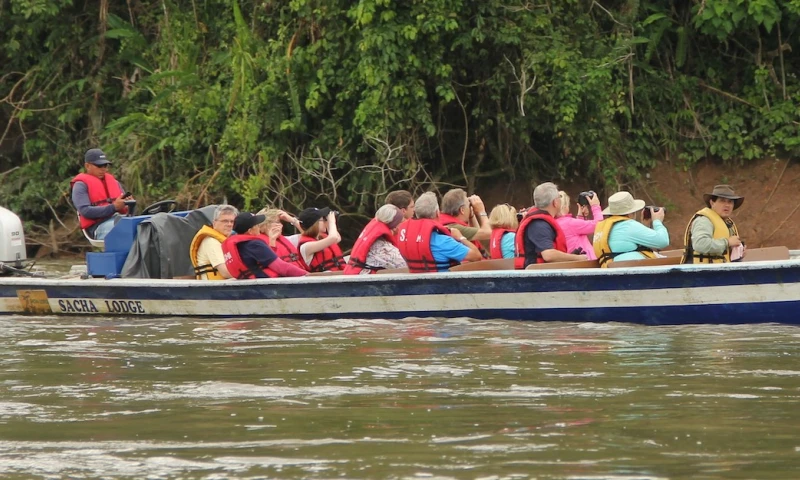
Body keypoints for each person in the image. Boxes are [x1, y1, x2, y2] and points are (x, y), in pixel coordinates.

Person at [396, 192, 482, 272]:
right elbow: (477, 256)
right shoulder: (442, 241)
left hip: (418, 285)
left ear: (416, 214)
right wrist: (460, 237)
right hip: (445, 285)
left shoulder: (406, 238)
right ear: (437, 213)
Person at [516, 182, 587, 268]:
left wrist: (569, 256)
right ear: (555, 202)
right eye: (559, 197)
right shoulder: (539, 224)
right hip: (537, 278)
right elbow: (548, 255)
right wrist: (578, 258)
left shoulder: (540, 222)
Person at [593, 191, 670, 267]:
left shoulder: (606, 226)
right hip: (632, 273)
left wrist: (644, 225)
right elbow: (663, 241)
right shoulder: (628, 225)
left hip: (611, 270)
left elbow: (628, 243)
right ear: (630, 212)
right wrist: (657, 221)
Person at [70, 148, 134, 240]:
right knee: (123, 228)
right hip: (98, 226)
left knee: (143, 226)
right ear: (87, 166)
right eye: (99, 166)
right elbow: (85, 211)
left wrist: (128, 205)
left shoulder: (114, 182)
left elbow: (125, 209)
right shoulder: (80, 185)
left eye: (105, 165)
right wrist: (113, 207)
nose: (103, 169)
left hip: (119, 219)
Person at [221, 212, 308, 279]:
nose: (259, 227)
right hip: (265, 286)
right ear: (250, 230)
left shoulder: (241, 244)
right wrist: (308, 275)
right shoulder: (254, 244)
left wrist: (272, 241)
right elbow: (281, 267)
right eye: (257, 225)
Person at [681, 184, 745, 263]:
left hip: (720, 271)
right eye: (722, 201)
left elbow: (724, 252)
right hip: (701, 273)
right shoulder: (704, 220)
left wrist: (737, 251)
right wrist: (727, 242)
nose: (727, 205)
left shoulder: (727, 223)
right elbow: (700, 244)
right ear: (712, 203)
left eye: (730, 202)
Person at [344, 205, 408, 274]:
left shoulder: (376, 236)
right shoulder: (382, 247)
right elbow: (404, 264)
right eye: (402, 222)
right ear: (395, 225)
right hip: (366, 282)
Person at [189, 204, 238, 280]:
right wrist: (249, 275)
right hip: (212, 289)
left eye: (232, 221)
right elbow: (225, 272)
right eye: (225, 221)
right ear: (214, 223)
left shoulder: (226, 241)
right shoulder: (211, 242)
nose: (229, 224)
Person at [439, 188, 492, 255]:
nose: (470, 207)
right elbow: (489, 233)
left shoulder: (445, 223)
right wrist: (482, 211)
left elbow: (479, 237)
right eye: (469, 205)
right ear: (462, 210)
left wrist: (471, 215)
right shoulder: (455, 228)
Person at [555, 190, 603, 260]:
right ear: (565, 206)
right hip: (586, 263)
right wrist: (595, 206)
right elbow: (598, 225)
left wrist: (580, 216)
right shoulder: (570, 223)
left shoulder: (555, 223)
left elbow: (576, 235)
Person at [296, 207, 346, 272]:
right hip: (322, 279)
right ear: (315, 224)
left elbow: (337, 238)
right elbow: (333, 238)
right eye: (323, 219)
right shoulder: (306, 246)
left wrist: (328, 224)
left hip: (336, 276)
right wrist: (331, 222)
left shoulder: (321, 238)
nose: (325, 221)